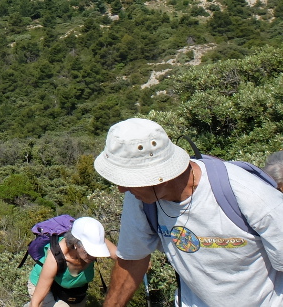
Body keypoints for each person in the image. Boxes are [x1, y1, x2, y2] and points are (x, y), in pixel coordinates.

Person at [93, 118, 283, 306]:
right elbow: (133, 260)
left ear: (159, 176)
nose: (121, 188)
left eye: (128, 180)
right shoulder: (141, 198)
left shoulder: (251, 195)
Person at [28, 216, 116, 307]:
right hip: (42, 286)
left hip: (72, 292)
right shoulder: (56, 256)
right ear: (75, 243)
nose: (93, 256)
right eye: (89, 251)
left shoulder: (95, 239)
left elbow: (122, 258)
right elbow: (36, 301)